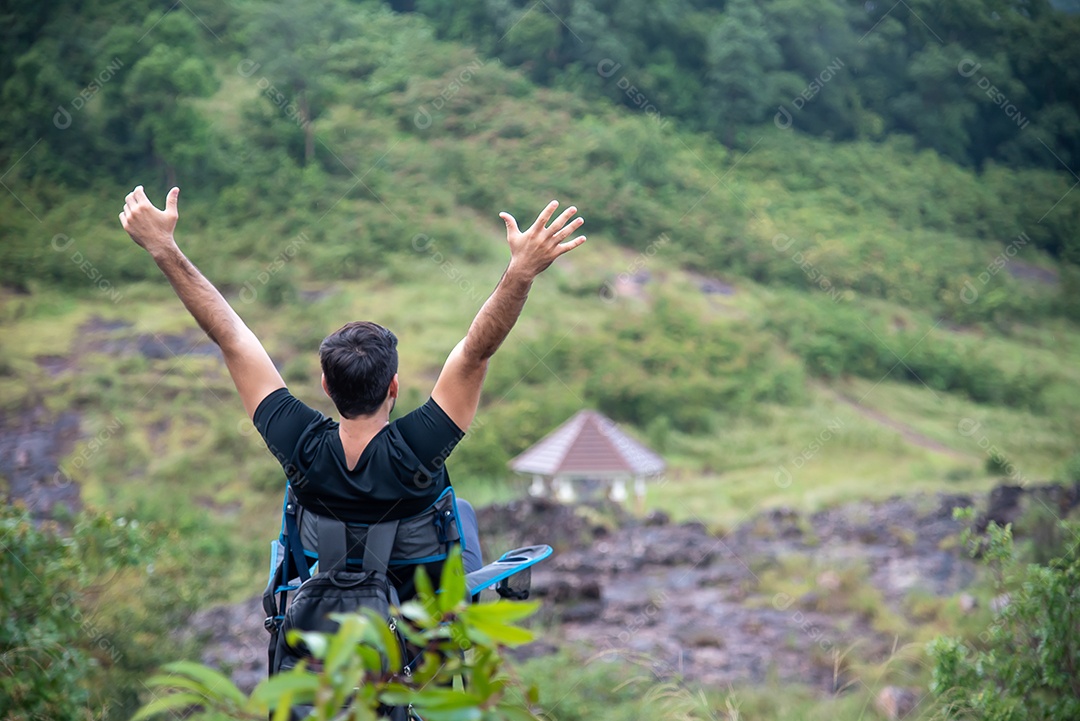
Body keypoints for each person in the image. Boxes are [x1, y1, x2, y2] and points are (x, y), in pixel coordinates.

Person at [118, 186, 586, 590]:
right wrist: (522, 272)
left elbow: (230, 336)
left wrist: (164, 248)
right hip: (416, 631)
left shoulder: (298, 445)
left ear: (325, 385)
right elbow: (475, 352)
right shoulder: (418, 451)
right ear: (394, 388)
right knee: (458, 509)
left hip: (329, 627)